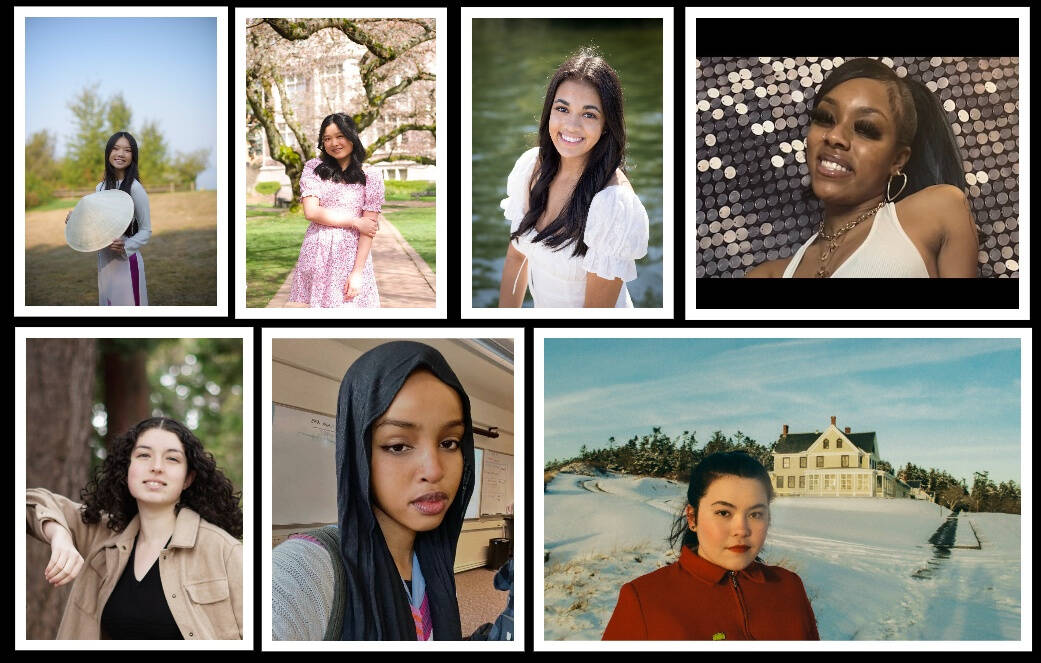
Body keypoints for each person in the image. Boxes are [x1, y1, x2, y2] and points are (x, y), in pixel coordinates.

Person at [272, 341, 476, 640]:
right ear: (358, 453)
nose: (434, 470)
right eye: (398, 446)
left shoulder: (431, 560)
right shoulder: (305, 569)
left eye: (449, 443)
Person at [746, 58, 978, 278]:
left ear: (898, 159)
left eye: (866, 128)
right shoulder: (768, 274)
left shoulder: (937, 212)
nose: (835, 136)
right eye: (825, 118)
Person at [26, 417, 243, 639]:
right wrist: (60, 536)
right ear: (126, 469)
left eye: (172, 459)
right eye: (144, 455)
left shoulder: (225, 552)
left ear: (188, 478)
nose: (156, 467)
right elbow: (30, 502)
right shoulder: (103, 534)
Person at [602, 451, 819, 640]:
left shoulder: (788, 587)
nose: (741, 529)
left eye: (755, 514)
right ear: (692, 518)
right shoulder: (644, 600)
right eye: (723, 512)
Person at [498, 47, 650, 307]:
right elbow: (515, 259)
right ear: (549, 111)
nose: (571, 126)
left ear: (606, 126)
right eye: (562, 109)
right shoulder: (531, 168)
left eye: (589, 114)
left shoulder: (612, 204)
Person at [287, 112, 384, 308]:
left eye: (340, 136)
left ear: (352, 137)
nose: (334, 143)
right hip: (317, 252)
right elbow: (311, 212)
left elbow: (369, 229)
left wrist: (357, 273)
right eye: (327, 138)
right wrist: (355, 222)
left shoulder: (371, 176)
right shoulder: (313, 168)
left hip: (350, 256)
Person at [71, 132, 152, 305]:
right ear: (108, 152)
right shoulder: (100, 188)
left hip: (126, 262)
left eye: (127, 150)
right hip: (105, 261)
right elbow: (98, 225)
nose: (120, 154)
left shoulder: (135, 189)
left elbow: (146, 230)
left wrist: (126, 246)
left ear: (133, 156)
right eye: (115, 148)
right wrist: (77, 219)